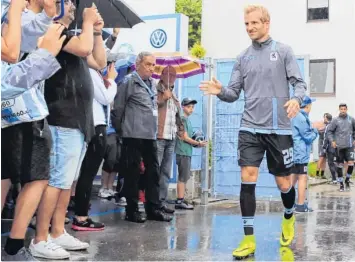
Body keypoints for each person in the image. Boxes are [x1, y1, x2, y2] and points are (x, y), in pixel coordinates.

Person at [199, 4, 306, 259]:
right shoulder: (242, 58)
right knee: (247, 177)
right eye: (246, 24)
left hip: (278, 128)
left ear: (266, 23)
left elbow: (299, 83)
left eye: (254, 23)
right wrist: (220, 91)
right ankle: (248, 239)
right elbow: (233, 93)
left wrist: (296, 100)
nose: (249, 28)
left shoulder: (283, 51)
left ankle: (289, 216)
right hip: (249, 128)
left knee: (283, 183)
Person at [29, 2, 106, 259]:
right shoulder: (53, 30)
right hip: (62, 117)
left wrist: (96, 32)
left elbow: (98, 60)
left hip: (79, 122)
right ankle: (40, 237)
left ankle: (58, 231)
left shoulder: (73, 34)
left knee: (66, 182)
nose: (72, 6)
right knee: (56, 181)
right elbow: (84, 49)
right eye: (68, 3)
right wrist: (86, 22)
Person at [1, 23, 67, 261]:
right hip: (21, 112)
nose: (67, 5)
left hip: (15, 113)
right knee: (36, 178)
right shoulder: (17, 14)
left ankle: (15, 246)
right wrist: (44, 54)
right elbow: (8, 77)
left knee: (6, 176)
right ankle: (15, 246)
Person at [112, 51, 174, 223]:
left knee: (153, 172)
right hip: (132, 134)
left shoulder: (153, 84)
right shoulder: (129, 82)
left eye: (153, 65)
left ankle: (153, 208)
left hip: (149, 135)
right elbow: (118, 108)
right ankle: (131, 210)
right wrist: (120, 131)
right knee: (132, 173)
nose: (151, 68)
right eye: (148, 64)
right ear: (138, 64)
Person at [72, 63, 118, 231]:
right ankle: (81, 216)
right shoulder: (89, 71)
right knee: (86, 173)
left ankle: (76, 213)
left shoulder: (90, 71)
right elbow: (105, 98)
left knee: (80, 172)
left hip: (92, 123)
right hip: (94, 125)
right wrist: (112, 81)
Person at [156, 66, 184, 208]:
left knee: (166, 170)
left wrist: (181, 127)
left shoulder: (173, 94)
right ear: (162, 75)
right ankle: (152, 199)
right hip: (159, 136)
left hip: (171, 137)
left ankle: (161, 199)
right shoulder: (156, 89)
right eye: (168, 74)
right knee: (155, 169)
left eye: (173, 74)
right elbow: (150, 106)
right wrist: (162, 98)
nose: (171, 76)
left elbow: (178, 114)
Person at [175, 98, 208, 209]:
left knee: (184, 176)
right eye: (189, 107)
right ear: (183, 107)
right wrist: (198, 143)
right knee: (182, 177)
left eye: (193, 107)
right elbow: (184, 137)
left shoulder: (187, 120)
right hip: (183, 151)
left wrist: (196, 142)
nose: (191, 109)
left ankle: (181, 199)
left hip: (187, 151)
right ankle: (179, 201)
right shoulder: (183, 119)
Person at [291, 96, 318, 213]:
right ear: (307, 106)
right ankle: (301, 205)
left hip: (295, 153)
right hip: (300, 153)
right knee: (302, 178)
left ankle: (290, 204)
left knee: (293, 178)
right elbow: (307, 137)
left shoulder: (296, 115)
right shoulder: (301, 117)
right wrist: (316, 130)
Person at [327, 103, 355, 192]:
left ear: (347, 109)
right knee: (339, 166)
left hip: (349, 146)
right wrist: (332, 141)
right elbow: (329, 132)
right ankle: (341, 184)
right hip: (339, 147)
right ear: (339, 110)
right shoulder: (335, 120)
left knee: (351, 163)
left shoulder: (351, 119)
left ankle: (347, 180)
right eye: (341, 109)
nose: (343, 110)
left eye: (344, 109)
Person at [322, 114, 338, 184]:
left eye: (324, 118)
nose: (323, 119)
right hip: (338, 147)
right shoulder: (336, 126)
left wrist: (324, 147)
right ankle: (339, 178)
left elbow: (326, 138)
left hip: (330, 148)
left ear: (327, 118)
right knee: (336, 163)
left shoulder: (328, 126)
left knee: (331, 163)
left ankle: (334, 179)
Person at [316, 113, 332, 179]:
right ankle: (317, 174)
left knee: (324, 160)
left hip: (327, 145)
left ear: (327, 118)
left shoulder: (329, 125)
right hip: (321, 144)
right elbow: (318, 130)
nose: (324, 119)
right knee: (321, 158)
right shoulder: (323, 125)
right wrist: (319, 129)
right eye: (324, 117)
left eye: (325, 117)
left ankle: (322, 174)